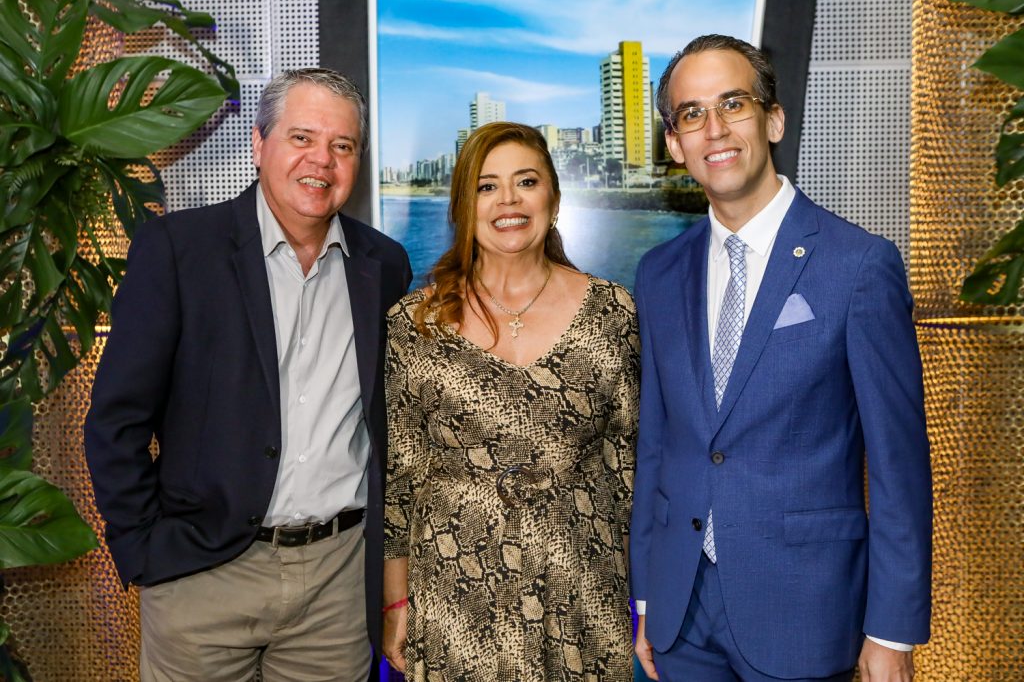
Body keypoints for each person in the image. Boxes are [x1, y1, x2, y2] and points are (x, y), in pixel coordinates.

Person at [84, 68, 411, 681]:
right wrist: (142, 549)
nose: (323, 160)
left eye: (343, 146)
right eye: (302, 138)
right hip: (201, 578)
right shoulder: (178, 250)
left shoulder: (383, 266)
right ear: (259, 146)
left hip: (336, 587)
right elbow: (116, 419)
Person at [630, 35, 932, 682]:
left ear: (772, 118)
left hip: (806, 606)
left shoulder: (858, 266)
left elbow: (898, 463)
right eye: (691, 113)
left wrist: (891, 629)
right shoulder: (658, 273)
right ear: (676, 144)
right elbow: (657, 443)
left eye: (733, 103)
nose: (714, 128)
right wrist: (648, 596)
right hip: (683, 611)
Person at [380, 122, 638, 681]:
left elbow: (629, 467)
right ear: (463, 205)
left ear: (553, 196)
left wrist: (646, 599)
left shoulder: (613, 312)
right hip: (456, 600)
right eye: (487, 186)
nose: (509, 201)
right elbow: (402, 478)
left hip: (583, 590)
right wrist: (395, 603)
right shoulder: (413, 324)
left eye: (526, 181)